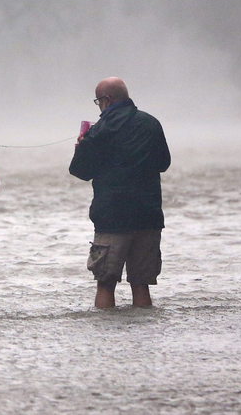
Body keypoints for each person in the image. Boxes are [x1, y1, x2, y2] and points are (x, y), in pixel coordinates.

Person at [69, 77, 171, 309]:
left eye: (98, 101)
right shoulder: (151, 123)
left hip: (112, 217)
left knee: (105, 283)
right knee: (141, 283)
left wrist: (82, 146)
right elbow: (164, 163)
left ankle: (106, 340)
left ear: (106, 100)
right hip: (148, 214)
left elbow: (80, 171)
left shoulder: (99, 131)